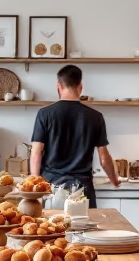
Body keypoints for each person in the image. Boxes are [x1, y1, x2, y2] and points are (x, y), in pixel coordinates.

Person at [29, 65, 121, 208]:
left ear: (58, 86)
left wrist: (34, 183)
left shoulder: (45, 114)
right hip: (83, 189)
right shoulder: (95, 117)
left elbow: (36, 153)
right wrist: (114, 180)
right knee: (86, 223)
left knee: (53, 223)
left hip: (52, 188)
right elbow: (104, 159)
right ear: (80, 87)